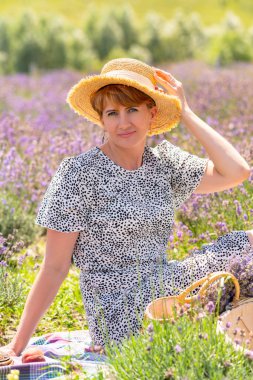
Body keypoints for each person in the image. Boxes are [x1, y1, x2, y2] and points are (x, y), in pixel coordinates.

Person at [1, 58, 253, 356]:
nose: (123, 122)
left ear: (152, 112)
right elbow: (54, 267)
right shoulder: (78, 174)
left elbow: (237, 171)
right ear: (102, 120)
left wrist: (186, 113)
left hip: (166, 284)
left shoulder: (164, 164)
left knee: (246, 246)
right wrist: (17, 346)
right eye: (112, 113)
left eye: (133, 109)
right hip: (117, 314)